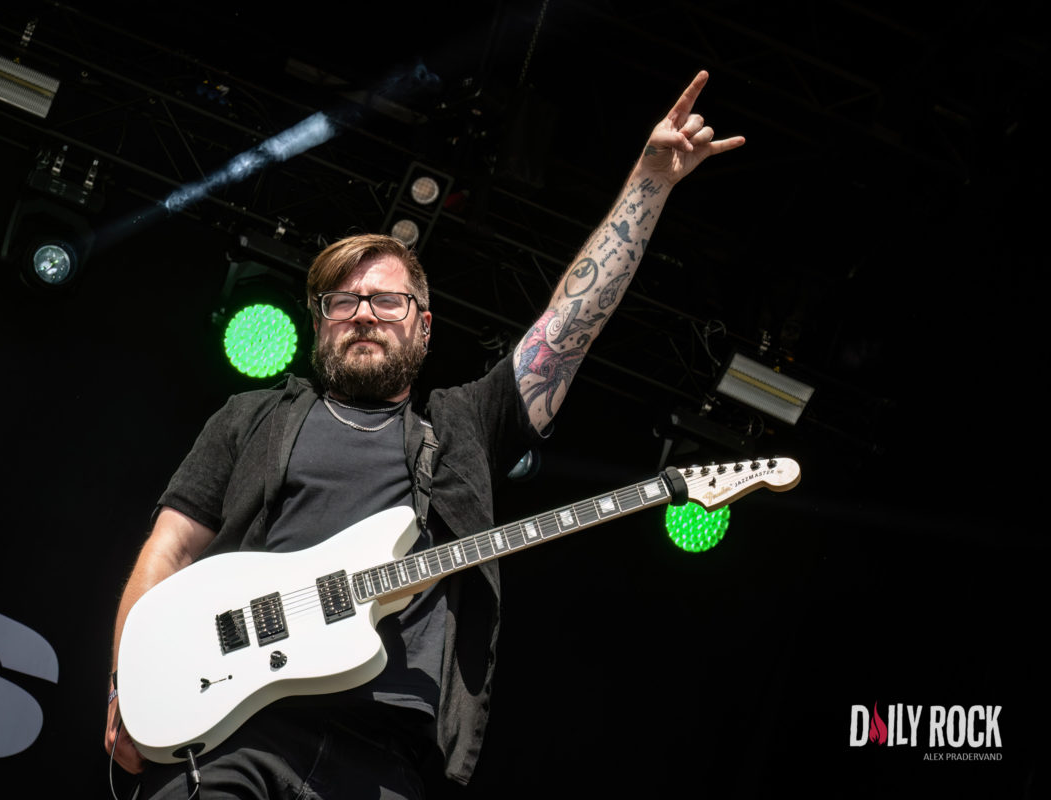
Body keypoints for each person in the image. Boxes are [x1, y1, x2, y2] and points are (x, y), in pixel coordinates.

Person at [104, 70, 744, 799]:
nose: (364, 313)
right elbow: (170, 549)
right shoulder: (253, 415)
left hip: (386, 761)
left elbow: (568, 328)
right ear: (319, 323)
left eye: (388, 300)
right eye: (344, 300)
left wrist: (649, 183)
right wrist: (129, 683)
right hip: (236, 733)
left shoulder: (463, 426)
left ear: (425, 325)